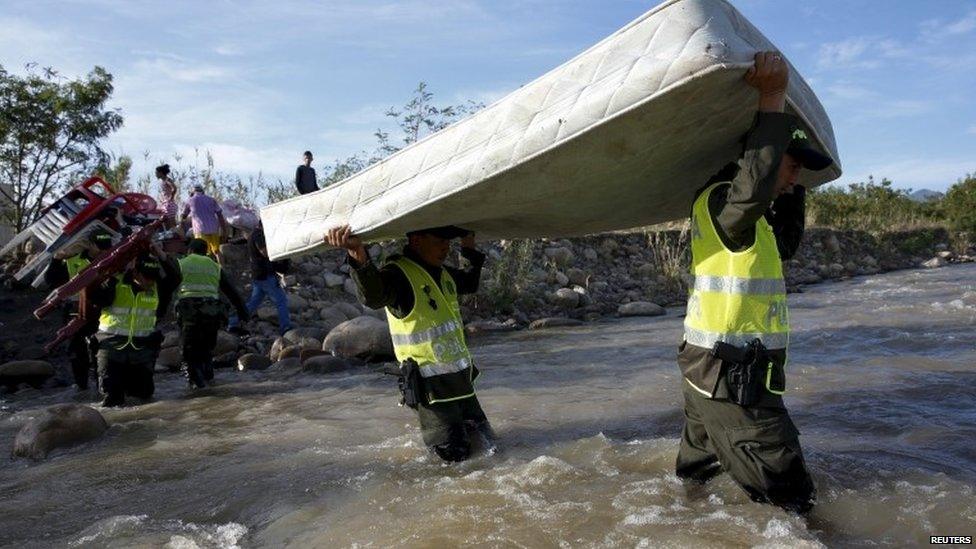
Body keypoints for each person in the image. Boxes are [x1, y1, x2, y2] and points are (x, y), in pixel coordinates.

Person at [674, 51, 833, 514]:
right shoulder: (728, 201)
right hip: (734, 379)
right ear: (761, 161)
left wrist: (796, 186)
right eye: (791, 166)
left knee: (698, 476)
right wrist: (772, 96)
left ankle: (684, 526)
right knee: (793, 502)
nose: (794, 177)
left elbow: (784, 245)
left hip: (707, 370)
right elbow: (756, 181)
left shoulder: (748, 222)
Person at [326, 224, 495, 463]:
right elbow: (374, 296)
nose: (446, 247)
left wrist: (468, 247)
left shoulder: (441, 273)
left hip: (461, 384)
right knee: (453, 464)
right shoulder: (398, 275)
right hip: (431, 390)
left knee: (491, 448)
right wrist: (358, 256)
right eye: (439, 241)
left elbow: (469, 282)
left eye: (449, 241)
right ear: (417, 240)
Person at [89, 245, 179, 407]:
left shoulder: (158, 289)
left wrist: (160, 254)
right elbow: (94, 294)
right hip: (111, 347)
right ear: (135, 273)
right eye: (146, 277)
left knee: (143, 397)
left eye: (153, 277)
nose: (150, 282)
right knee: (112, 398)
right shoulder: (115, 283)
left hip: (141, 350)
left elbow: (175, 277)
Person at [173, 238, 249, 388]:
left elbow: (168, 286)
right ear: (206, 251)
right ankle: (209, 380)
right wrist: (243, 313)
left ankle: (196, 386)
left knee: (189, 351)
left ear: (190, 250)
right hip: (211, 314)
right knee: (206, 348)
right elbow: (231, 292)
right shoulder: (215, 266)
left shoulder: (181, 264)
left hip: (190, 315)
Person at [44, 230, 115, 390]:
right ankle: (81, 386)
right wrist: (57, 258)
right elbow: (51, 281)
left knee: (101, 349)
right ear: (89, 245)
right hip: (75, 311)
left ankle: (101, 386)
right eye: (99, 247)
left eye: (106, 247)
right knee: (77, 351)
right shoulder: (72, 260)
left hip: (101, 310)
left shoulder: (112, 260)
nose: (103, 251)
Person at [233, 221, 292, 335]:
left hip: (259, 275)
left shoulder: (255, 234)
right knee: (281, 300)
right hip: (265, 275)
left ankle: (232, 321)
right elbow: (264, 252)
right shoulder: (258, 235)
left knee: (253, 304)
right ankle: (285, 327)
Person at [180, 184, 227, 263]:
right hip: (213, 229)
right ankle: (222, 269)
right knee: (216, 251)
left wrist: (181, 224)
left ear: (193, 192)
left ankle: (206, 269)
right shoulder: (211, 200)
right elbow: (220, 215)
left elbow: (183, 215)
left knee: (203, 251)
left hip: (200, 230)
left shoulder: (190, 200)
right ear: (203, 191)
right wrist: (224, 229)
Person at [155, 164, 179, 229]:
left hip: (169, 204)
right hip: (166, 204)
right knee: (167, 225)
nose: (156, 174)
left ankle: (179, 237)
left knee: (172, 225)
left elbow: (174, 188)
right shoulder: (163, 181)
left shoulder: (167, 180)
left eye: (156, 173)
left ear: (161, 173)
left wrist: (171, 198)